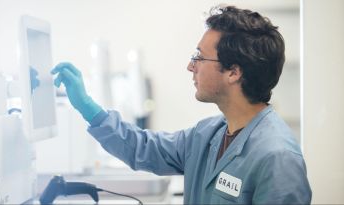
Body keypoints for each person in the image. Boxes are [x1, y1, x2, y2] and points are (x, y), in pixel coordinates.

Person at [51, 5, 312, 204]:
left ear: (233, 72)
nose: (190, 66)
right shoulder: (207, 135)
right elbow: (144, 148)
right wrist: (87, 108)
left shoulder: (277, 158)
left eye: (199, 57)